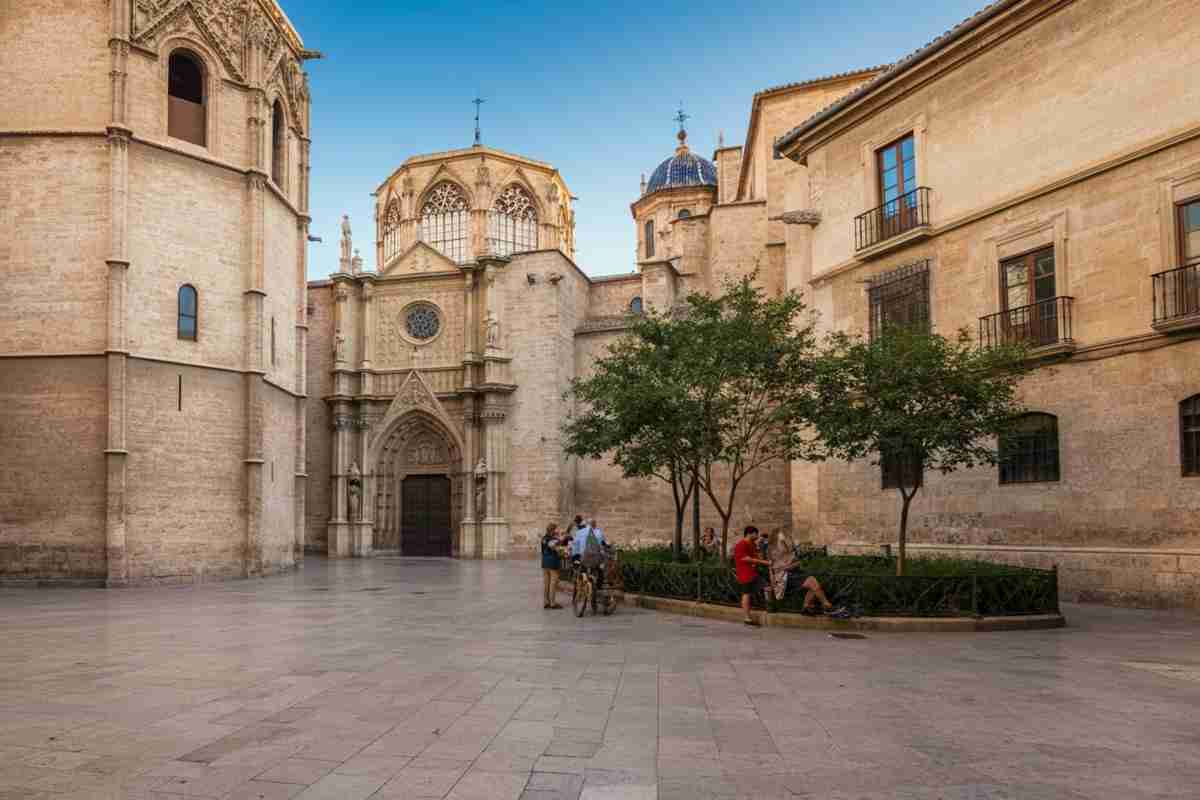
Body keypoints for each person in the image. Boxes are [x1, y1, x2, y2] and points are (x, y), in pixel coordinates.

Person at [764, 529, 847, 617]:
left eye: (784, 539)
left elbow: (797, 562)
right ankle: (827, 606)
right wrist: (774, 579)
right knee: (812, 582)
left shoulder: (789, 551)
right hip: (785, 577)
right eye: (782, 540)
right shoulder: (771, 551)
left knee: (814, 584)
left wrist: (793, 563)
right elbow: (771, 567)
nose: (784, 541)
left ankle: (806, 607)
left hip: (794, 573)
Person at [734, 525, 770, 626]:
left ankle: (769, 607)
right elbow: (745, 558)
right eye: (756, 533)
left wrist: (762, 548)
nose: (757, 535)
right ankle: (747, 618)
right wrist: (763, 562)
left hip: (753, 573)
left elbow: (757, 556)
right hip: (745, 573)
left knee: (767, 587)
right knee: (746, 594)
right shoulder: (741, 544)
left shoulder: (753, 544)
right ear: (750, 533)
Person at [541, 523, 564, 610]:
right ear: (552, 530)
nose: (557, 531)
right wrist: (560, 540)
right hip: (552, 562)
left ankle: (546, 602)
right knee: (553, 583)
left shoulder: (544, 538)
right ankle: (552, 603)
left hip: (544, 562)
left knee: (546, 583)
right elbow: (552, 545)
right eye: (556, 529)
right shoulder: (551, 539)